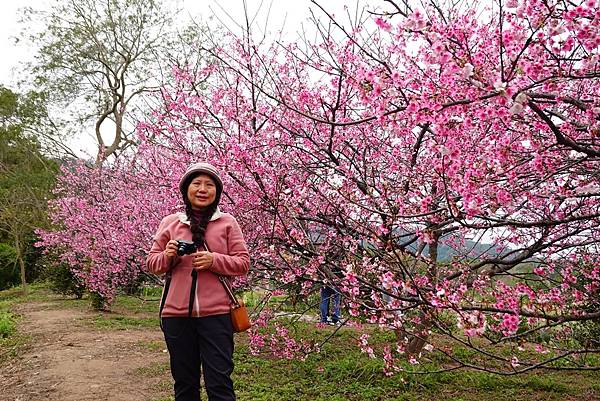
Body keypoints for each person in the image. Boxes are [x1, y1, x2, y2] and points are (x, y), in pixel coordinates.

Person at [146, 162, 250, 401]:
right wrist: (169, 255)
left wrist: (214, 260)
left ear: (217, 191)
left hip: (217, 316)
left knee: (220, 384)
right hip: (176, 315)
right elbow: (152, 264)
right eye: (196, 183)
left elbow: (243, 263)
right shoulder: (171, 222)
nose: (202, 189)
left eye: (209, 184)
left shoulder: (227, 222)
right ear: (186, 190)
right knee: (184, 384)